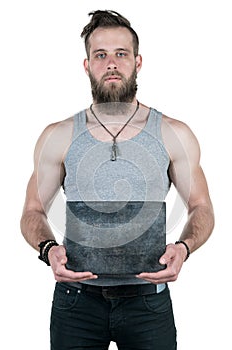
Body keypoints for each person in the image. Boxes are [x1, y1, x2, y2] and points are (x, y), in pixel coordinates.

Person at [20, 10, 214, 350]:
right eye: (101, 55)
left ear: (137, 62)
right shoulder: (59, 135)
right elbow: (33, 210)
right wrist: (47, 249)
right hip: (76, 302)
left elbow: (201, 207)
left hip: (147, 303)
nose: (111, 63)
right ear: (87, 65)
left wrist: (183, 248)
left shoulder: (173, 133)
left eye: (120, 54)